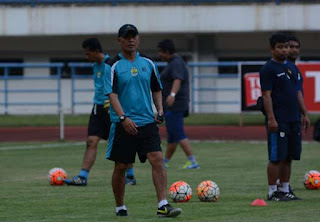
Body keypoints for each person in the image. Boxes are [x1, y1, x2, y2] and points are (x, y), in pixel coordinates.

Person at [105, 24, 182, 217]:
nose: (131, 40)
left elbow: (156, 88)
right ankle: (120, 206)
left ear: (138, 39)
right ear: (119, 40)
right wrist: (123, 118)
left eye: (134, 36)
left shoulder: (148, 63)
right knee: (121, 166)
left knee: (157, 159)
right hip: (124, 124)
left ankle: (163, 205)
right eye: (126, 37)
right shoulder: (112, 65)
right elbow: (112, 95)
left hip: (147, 121)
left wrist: (160, 110)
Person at [64, 37, 136, 186]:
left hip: (112, 109)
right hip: (98, 108)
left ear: (96, 51)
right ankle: (83, 176)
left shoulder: (112, 64)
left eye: (88, 54)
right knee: (91, 141)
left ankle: (130, 176)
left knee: (121, 143)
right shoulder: (95, 66)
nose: (86, 57)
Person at [259, 33, 310, 201]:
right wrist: (271, 118)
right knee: (276, 157)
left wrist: (304, 113)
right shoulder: (268, 69)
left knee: (289, 156)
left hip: (293, 119)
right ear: (272, 49)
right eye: (280, 47)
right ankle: (272, 191)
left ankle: (285, 189)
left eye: (286, 46)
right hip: (279, 119)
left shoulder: (292, 68)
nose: (285, 50)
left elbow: (298, 93)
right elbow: (266, 96)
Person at [157, 39, 199, 169]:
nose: (159, 55)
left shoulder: (176, 63)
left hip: (175, 105)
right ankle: (165, 162)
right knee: (172, 136)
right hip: (172, 105)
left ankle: (193, 161)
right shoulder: (173, 63)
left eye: (161, 52)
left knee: (178, 133)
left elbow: (177, 79)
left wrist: (172, 95)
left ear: (167, 51)